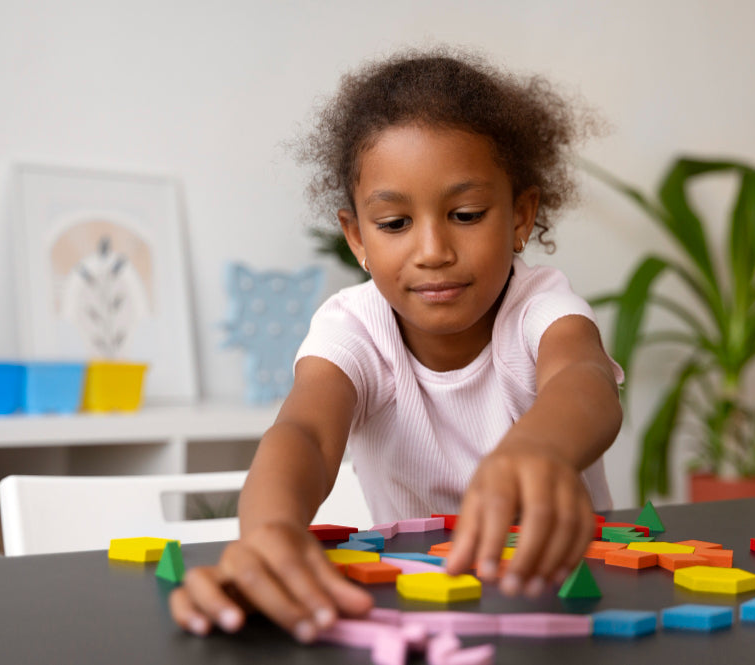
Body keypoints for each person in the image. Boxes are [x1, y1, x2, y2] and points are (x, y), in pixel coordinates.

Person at [169, 48, 624, 643]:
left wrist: (537, 449)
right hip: (418, 607)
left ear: (520, 215)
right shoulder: (352, 328)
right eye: (394, 224)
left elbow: (584, 379)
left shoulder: (540, 306)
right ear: (356, 237)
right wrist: (269, 533)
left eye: (465, 213)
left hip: (560, 596)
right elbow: (305, 432)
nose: (432, 249)